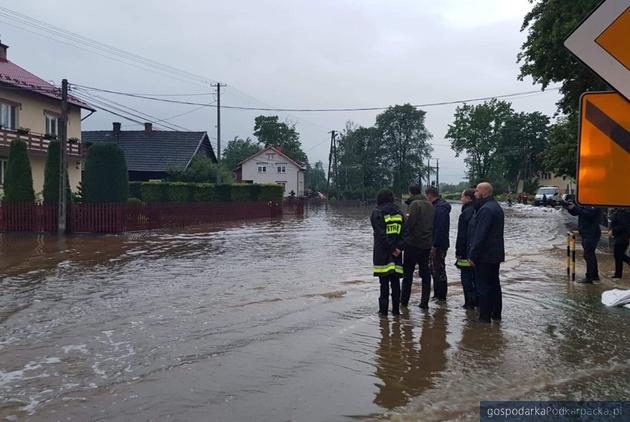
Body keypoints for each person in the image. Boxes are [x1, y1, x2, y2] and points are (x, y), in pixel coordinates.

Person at [468, 182, 505, 323]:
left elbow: (480, 235)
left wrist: (473, 255)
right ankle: (496, 314)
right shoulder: (495, 207)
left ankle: (484, 317)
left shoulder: (486, 209)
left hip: (485, 255)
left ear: (484, 192)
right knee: (494, 284)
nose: (475, 193)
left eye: (477, 191)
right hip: (495, 254)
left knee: (483, 286)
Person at [371, 189, 406, 316]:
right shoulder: (400, 213)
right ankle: (396, 311)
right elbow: (405, 234)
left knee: (383, 284)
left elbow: (380, 234)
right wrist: (398, 248)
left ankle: (383, 312)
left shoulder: (377, 213)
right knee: (396, 283)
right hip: (396, 254)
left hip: (382, 254)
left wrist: (391, 249)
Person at [402, 185, 435, 309]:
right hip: (426, 244)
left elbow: (409, 224)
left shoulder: (414, 204)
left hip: (413, 244)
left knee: (408, 274)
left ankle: (404, 301)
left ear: (410, 193)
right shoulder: (430, 205)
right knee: (425, 273)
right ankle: (424, 302)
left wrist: (404, 238)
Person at [425, 186, 451, 301]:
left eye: (426, 196)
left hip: (439, 244)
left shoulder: (440, 208)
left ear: (430, 195)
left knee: (439, 270)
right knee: (434, 270)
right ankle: (437, 295)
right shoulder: (438, 206)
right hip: (438, 243)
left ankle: (441, 297)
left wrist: (435, 245)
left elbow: (440, 228)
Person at [567, 202, 602, 283]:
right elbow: (577, 213)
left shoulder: (594, 204)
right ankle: (594, 275)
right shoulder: (585, 203)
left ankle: (590, 277)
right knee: (590, 255)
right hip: (586, 232)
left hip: (591, 233)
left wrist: (575, 208)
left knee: (588, 255)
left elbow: (587, 214)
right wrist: (570, 208)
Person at [455, 188, 476, 309]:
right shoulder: (477, 210)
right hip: (475, 251)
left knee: (466, 278)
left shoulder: (466, 213)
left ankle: (469, 304)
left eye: (462, 196)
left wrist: (459, 251)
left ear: (468, 198)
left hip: (466, 252)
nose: (460, 199)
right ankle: (476, 302)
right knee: (475, 278)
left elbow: (462, 235)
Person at [610, 208, 630, 278]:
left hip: (621, 238)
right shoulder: (621, 212)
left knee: (618, 256)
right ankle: (618, 274)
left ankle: (618, 274)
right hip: (622, 238)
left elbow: (622, 225)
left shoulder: (621, 213)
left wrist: (613, 230)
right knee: (619, 256)